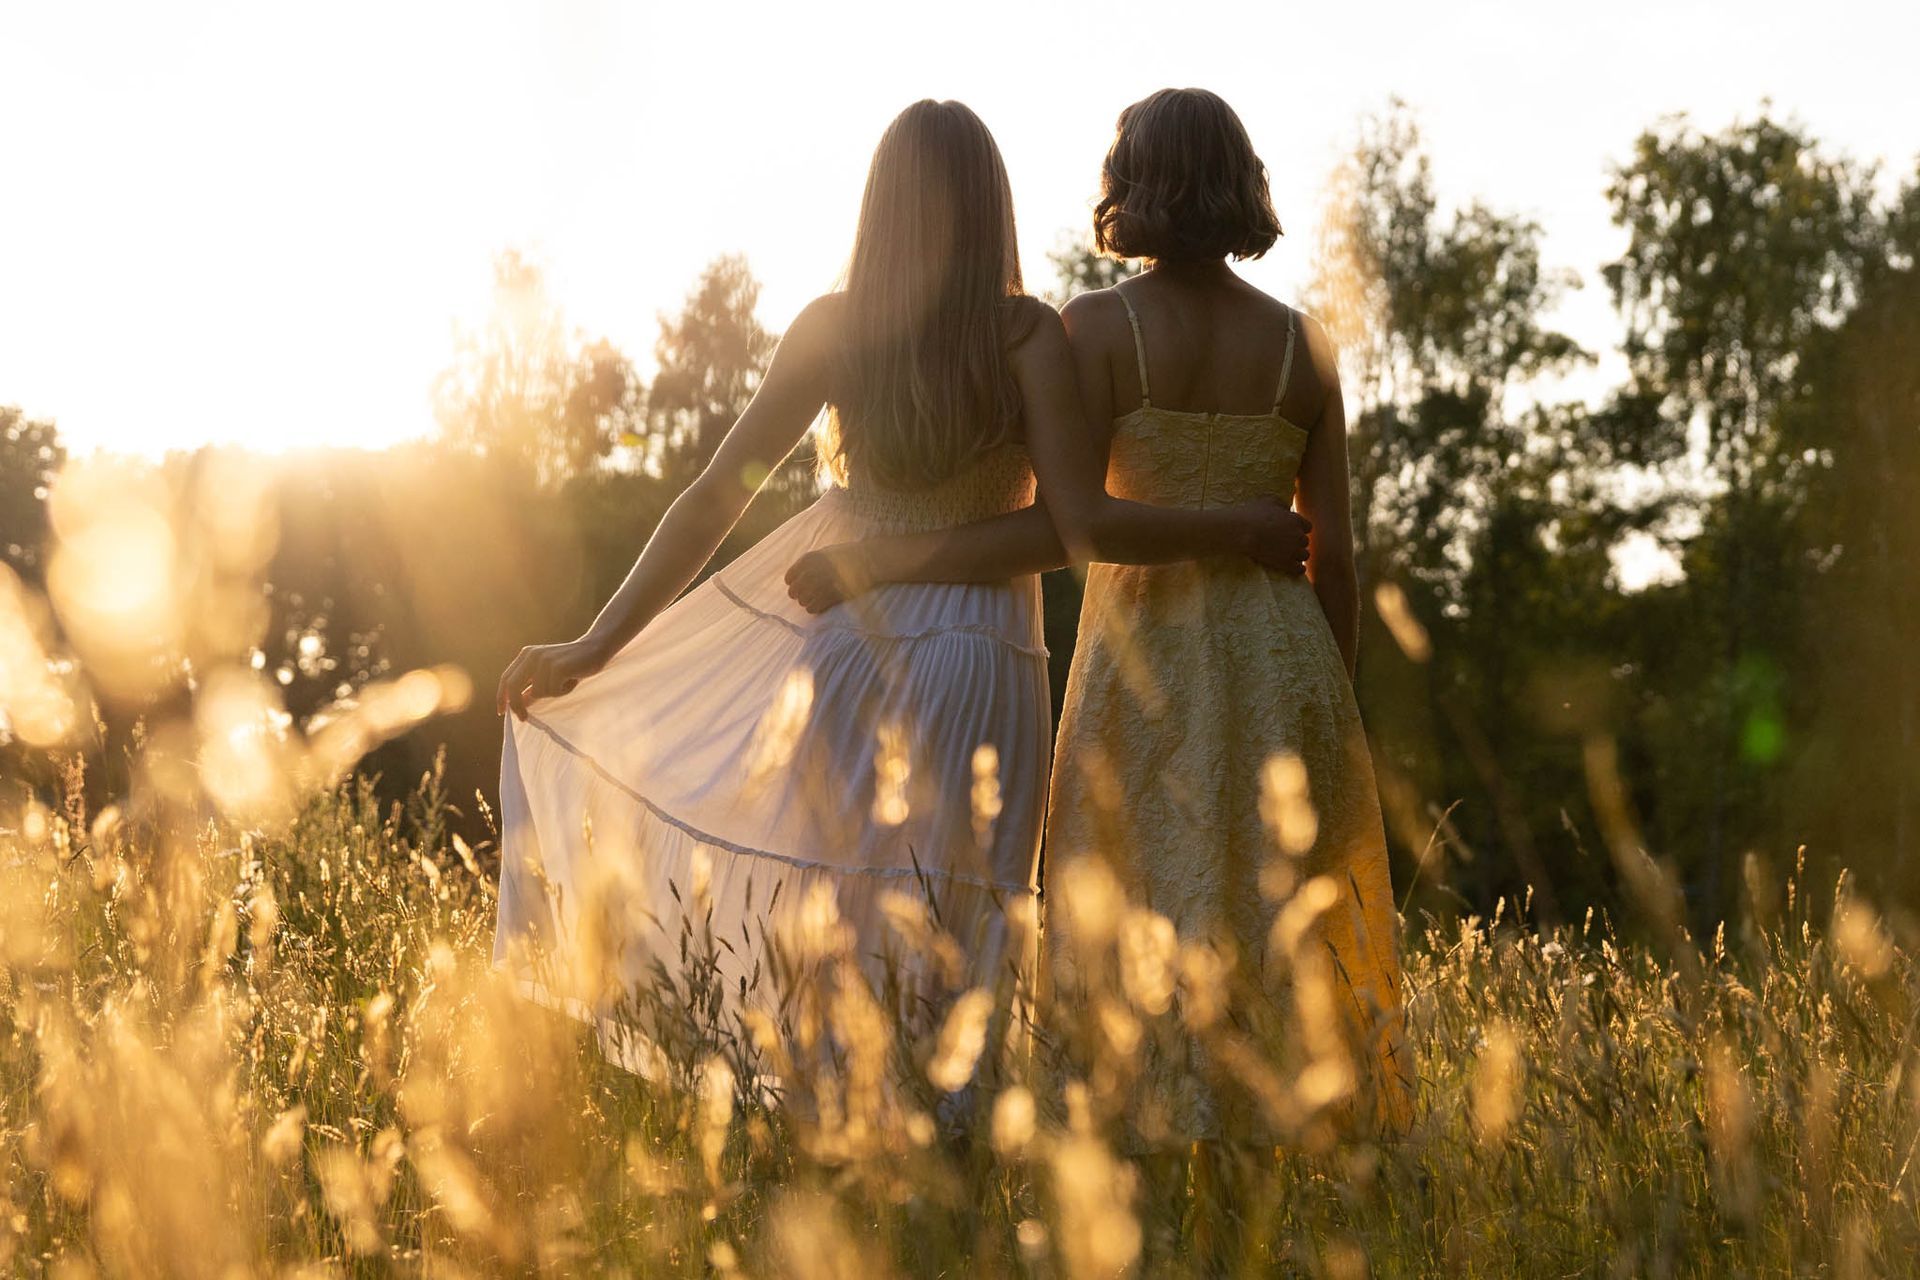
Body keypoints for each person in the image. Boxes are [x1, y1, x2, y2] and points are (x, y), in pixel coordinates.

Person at [492, 98, 1309, 1060]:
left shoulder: (836, 329)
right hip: (982, 653)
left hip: (846, 642)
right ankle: (946, 1166)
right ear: (991, 205)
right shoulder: (1026, 338)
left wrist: (596, 645)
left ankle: (836, 1161)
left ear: (881, 202)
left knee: (833, 915)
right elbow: (1069, 530)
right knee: (961, 929)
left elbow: (715, 497)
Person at [786, 88, 1410, 1135]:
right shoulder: (1308, 344)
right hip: (1283, 657)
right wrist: (1333, 694)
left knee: (1134, 895)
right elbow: (1334, 552)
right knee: (1273, 910)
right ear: (1242, 181)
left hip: (1149, 649)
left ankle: (1135, 1138)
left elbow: (1078, 520)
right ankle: (1275, 1151)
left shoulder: (1095, 328)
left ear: (1137, 186)